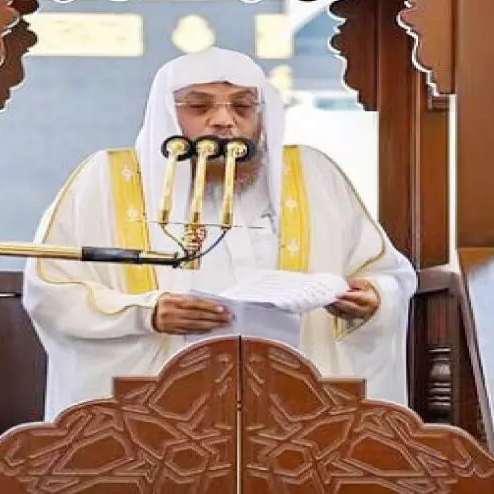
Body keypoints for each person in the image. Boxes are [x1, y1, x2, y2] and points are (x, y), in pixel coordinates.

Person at [23, 47, 417, 419]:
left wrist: (373, 299)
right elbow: (53, 290)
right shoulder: (106, 180)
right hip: (157, 413)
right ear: (166, 113)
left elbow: (389, 274)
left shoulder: (314, 175)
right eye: (199, 106)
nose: (224, 120)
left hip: (291, 407)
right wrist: (147, 313)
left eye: (243, 106)